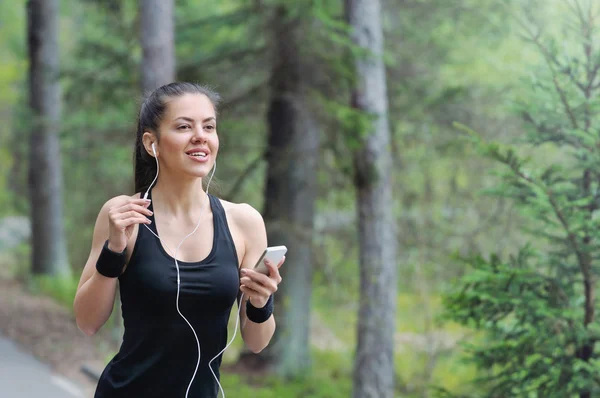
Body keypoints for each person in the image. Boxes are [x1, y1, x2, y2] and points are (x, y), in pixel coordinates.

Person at [73, 82, 284, 398]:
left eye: (208, 126)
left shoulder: (244, 222)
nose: (200, 135)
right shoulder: (123, 214)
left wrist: (260, 302)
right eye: (184, 126)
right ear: (152, 143)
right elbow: (88, 322)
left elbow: (257, 342)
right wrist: (114, 250)